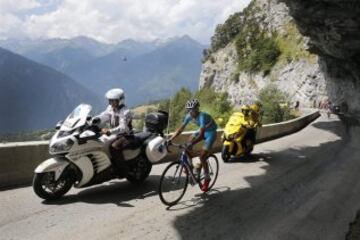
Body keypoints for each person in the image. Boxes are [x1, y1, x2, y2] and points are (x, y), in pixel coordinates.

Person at [168, 99, 217, 192]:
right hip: (203, 130)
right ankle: (191, 168)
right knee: (189, 142)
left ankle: (207, 178)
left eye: (193, 109)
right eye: (189, 110)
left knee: (202, 156)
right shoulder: (188, 116)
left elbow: (202, 135)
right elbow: (180, 130)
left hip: (210, 132)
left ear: (197, 109)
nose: (191, 112)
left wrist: (191, 143)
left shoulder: (202, 116)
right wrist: (170, 139)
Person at [93, 88, 133, 177]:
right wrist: (94, 120)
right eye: (109, 100)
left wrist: (109, 131)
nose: (110, 103)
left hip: (126, 136)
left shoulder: (125, 112)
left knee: (114, 147)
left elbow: (123, 128)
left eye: (113, 101)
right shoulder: (110, 108)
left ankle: (123, 170)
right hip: (115, 135)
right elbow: (104, 116)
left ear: (120, 100)